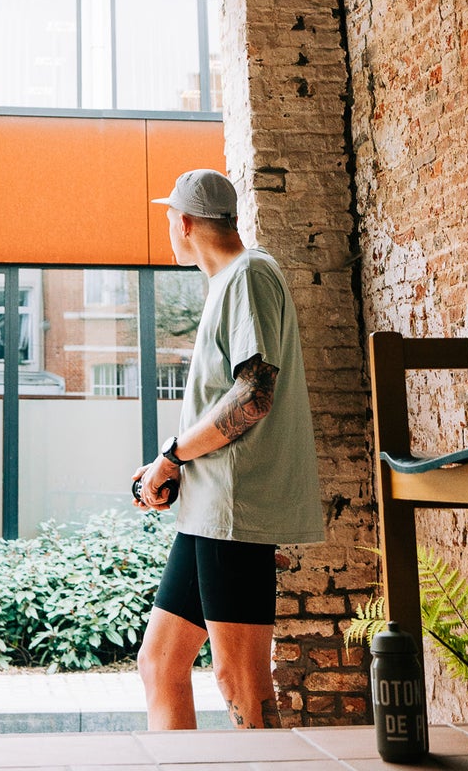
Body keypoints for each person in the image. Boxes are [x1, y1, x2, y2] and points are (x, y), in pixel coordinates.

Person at [132, 168, 323, 729]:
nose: (169, 227)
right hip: (209, 510)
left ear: (186, 223)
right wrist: (170, 462)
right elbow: (226, 402)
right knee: (160, 663)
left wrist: (172, 456)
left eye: (170, 217)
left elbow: (254, 395)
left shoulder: (249, 275)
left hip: (233, 513)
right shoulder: (229, 282)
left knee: (240, 681)